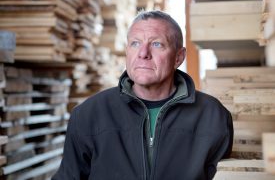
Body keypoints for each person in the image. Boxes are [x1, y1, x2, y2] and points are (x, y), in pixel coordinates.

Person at [52, 10, 233, 180]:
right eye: (135, 43)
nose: (143, 53)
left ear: (178, 57)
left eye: (156, 44)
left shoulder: (213, 116)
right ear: (127, 51)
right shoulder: (88, 114)